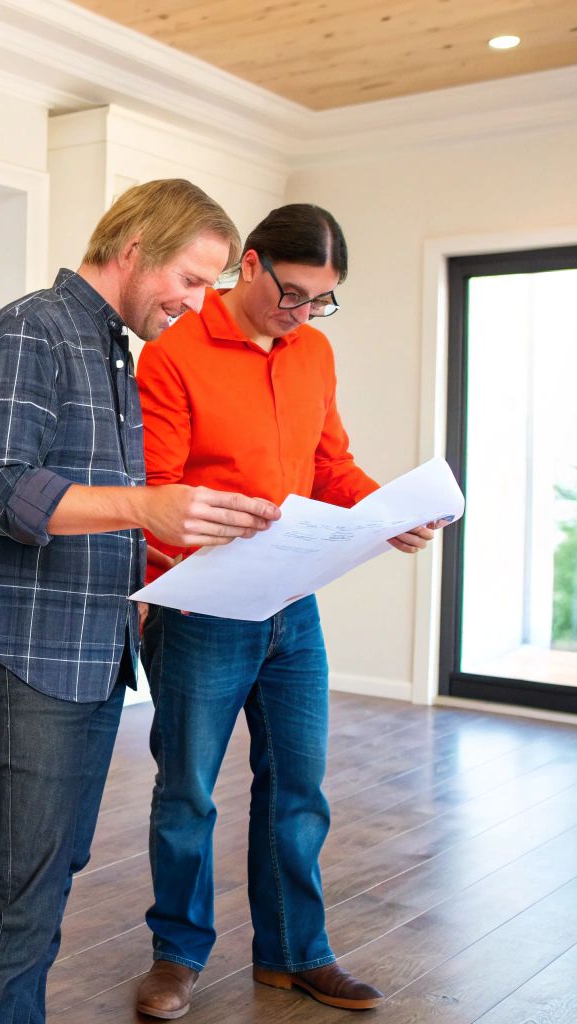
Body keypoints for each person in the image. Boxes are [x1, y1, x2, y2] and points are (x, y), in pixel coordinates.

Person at [0, 179, 282, 1024]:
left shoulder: (112, 351)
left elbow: (95, 505)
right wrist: (145, 507)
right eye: (192, 282)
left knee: (47, 880)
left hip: (87, 651)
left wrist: (193, 538)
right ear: (133, 250)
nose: (201, 306)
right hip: (27, 652)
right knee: (19, 897)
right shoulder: (30, 331)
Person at [131, 204, 447, 1018]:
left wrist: (387, 511)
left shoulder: (313, 353)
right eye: (294, 293)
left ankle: (294, 954)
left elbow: (329, 463)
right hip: (202, 609)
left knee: (298, 787)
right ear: (252, 264)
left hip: (292, 607)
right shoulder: (173, 353)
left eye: (320, 301)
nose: (302, 314)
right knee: (188, 793)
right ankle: (176, 957)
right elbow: (157, 489)